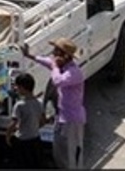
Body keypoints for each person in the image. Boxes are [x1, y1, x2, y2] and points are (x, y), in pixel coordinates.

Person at [21, 38, 86, 169]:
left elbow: (58, 81)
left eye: (56, 52)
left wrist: (55, 66)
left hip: (71, 120)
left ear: (65, 56)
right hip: (61, 117)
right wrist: (30, 56)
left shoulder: (74, 72)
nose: (53, 54)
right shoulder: (60, 67)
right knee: (59, 152)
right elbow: (47, 62)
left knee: (70, 154)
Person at [5, 72, 45, 168]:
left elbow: (13, 124)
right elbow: (43, 121)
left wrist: (8, 136)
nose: (16, 89)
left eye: (17, 87)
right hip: (36, 139)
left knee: (22, 164)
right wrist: (34, 127)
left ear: (22, 88)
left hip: (23, 141)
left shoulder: (19, 105)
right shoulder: (39, 102)